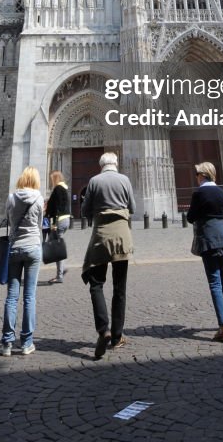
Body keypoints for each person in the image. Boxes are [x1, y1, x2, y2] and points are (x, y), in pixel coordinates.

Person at [81, 153, 135, 359]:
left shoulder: (94, 181)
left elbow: (85, 211)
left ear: (101, 165)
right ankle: (117, 336)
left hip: (101, 236)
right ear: (116, 163)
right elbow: (134, 208)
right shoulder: (125, 180)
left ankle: (104, 329)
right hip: (122, 237)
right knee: (119, 288)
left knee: (96, 284)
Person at [186, 162, 223, 343]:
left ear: (202, 175)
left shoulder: (199, 193)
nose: (196, 178)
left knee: (215, 282)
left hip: (208, 239)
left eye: (197, 174)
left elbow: (190, 217)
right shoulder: (221, 192)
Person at [0, 167, 43, 356]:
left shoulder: (12, 197)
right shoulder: (39, 198)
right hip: (33, 247)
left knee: (11, 296)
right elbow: (40, 224)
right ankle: (26, 343)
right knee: (29, 297)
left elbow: (8, 218)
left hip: (15, 247)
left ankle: (7, 343)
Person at [46, 170, 71, 284]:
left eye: (52, 179)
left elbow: (57, 207)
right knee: (56, 245)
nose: (51, 181)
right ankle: (62, 268)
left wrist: (54, 223)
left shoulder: (57, 189)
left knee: (56, 247)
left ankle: (59, 275)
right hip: (66, 220)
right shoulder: (64, 188)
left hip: (59, 220)